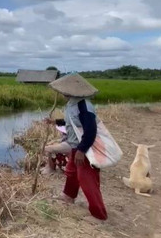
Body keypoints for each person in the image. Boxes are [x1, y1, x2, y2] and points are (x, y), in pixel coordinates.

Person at [45, 73, 108, 221]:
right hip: (75, 147)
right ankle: (68, 197)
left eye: (64, 91)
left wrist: (82, 150)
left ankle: (99, 214)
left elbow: (91, 130)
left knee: (88, 180)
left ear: (70, 91)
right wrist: (54, 122)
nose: (62, 93)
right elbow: (72, 122)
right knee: (72, 173)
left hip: (83, 149)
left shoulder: (84, 106)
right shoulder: (73, 103)